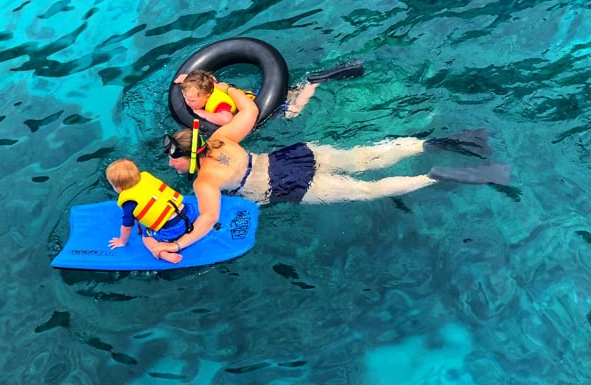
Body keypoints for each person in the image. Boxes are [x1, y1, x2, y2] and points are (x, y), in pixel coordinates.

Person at [153, 86, 510, 255]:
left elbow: (206, 220)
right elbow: (248, 111)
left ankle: (433, 176)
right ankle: (452, 142)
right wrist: (227, 88)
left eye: (175, 159)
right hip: (293, 157)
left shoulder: (205, 180)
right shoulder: (222, 139)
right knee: (367, 156)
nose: (171, 164)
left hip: (285, 186)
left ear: (191, 159)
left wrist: (174, 244)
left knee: (368, 190)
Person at [174, 60, 365, 125]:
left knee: (293, 111)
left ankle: (313, 84)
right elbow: (205, 78)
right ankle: (305, 84)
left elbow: (226, 119)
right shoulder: (210, 84)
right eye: (185, 98)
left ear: (207, 96)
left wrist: (204, 114)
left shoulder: (217, 104)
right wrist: (185, 79)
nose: (187, 101)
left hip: (265, 107)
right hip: (256, 94)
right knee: (290, 94)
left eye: (191, 99)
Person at [105, 158, 197, 263]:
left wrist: (122, 241)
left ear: (119, 188)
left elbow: (127, 227)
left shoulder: (129, 202)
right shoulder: (147, 180)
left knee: (146, 237)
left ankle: (162, 253)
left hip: (173, 229)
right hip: (190, 214)